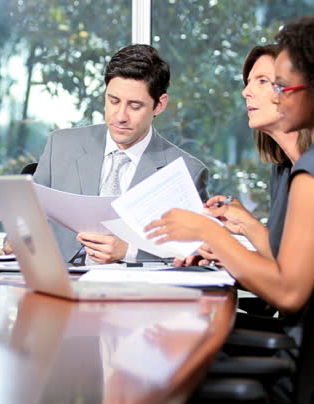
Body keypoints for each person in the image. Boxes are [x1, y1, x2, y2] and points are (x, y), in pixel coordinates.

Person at [147, 12, 314, 314]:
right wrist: (239, 233)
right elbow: (303, 267)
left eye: (282, 86)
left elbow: (288, 293)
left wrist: (210, 234)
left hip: (308, 351)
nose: (279, 97)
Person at [31, 44, 209, 264]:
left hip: (136, 291)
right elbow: (29, 215)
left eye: (134, 106)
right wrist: (20, 238)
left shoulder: (187, 172)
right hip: (60, 281)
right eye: (113, 101)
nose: (120, 116)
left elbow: (194, 252)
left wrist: (129, 251)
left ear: (159, 105)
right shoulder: (61, 145)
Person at [180, 44, 312, 267]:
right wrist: (238, 232)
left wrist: (229, 249)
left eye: (261, 81)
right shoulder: (284, 169)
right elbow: (279, 254)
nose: (246, 92)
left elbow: (296, 275)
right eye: (248, 82)